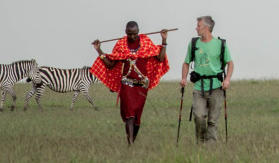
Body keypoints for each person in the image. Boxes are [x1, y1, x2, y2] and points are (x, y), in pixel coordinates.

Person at [90, 21, 170, 145]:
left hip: (142, 85)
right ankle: (130, 144)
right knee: (129, 116)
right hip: (127, 84)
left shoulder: (146, 43)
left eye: (134, 34)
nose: (132, 37)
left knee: (137, 118)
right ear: (125, 32)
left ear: (138, 31)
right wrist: (99, 50)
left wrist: (164, 40)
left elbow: (160, 58)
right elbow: (111, 65)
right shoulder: (121, 44)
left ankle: (132, 141)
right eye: (129, 34)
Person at [181, 15, 233, 144]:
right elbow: (186, 63)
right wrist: (183, 78)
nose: (196, 28)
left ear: (206, 28)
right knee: (198, 116)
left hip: (216, 86)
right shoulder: (193, 44)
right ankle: (201, 141)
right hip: (199, 87)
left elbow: (230, 63)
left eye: (198, 26)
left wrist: (227, 80)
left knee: (212, 120)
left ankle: (210, 147)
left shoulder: (220, 44)